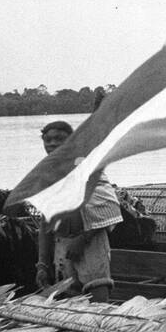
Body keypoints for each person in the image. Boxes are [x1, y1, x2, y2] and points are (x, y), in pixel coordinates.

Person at [34, 119, 121, 301]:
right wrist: (42, 264)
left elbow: (107, 206)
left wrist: (83, 239)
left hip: (90, 241)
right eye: (47, 139)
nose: (52, 143)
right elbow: (45, 223)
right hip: (62, 244)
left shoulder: (86, 166)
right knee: (67, 296)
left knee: (97, 294)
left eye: (59, 138)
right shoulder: (47, 174)